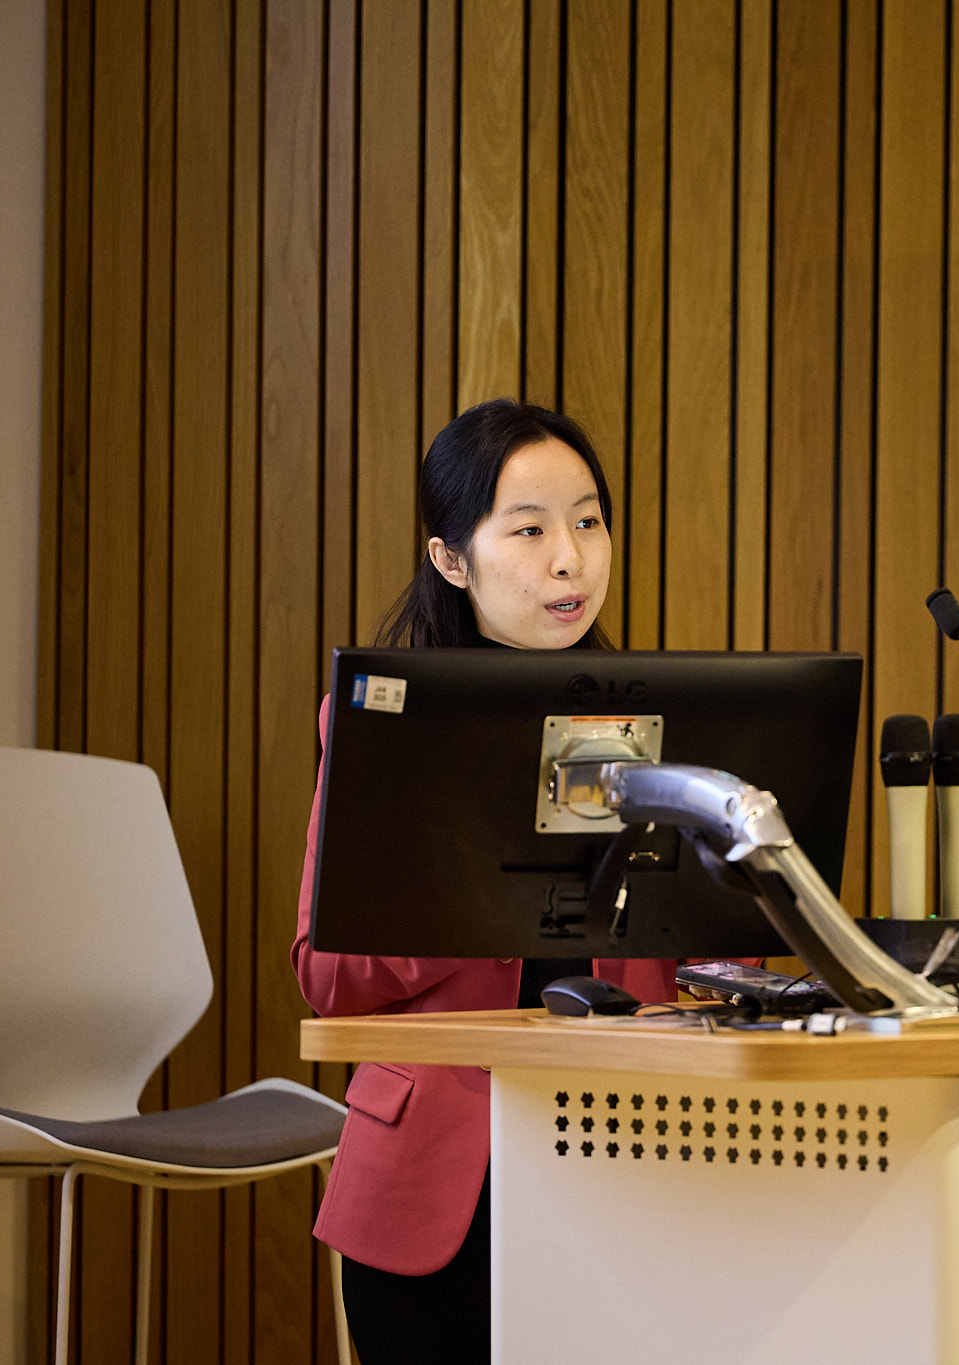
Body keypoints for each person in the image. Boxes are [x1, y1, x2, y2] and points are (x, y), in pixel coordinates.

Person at [291, 400, 681, 1361]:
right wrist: (481, 885)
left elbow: (692, 962)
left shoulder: (666, 726)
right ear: (451, 559)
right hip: (441, 1188)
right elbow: (324, 971)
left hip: (634, 1168)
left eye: (588, 521)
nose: (570, 558)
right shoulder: (388, 725)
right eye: (531, 528)